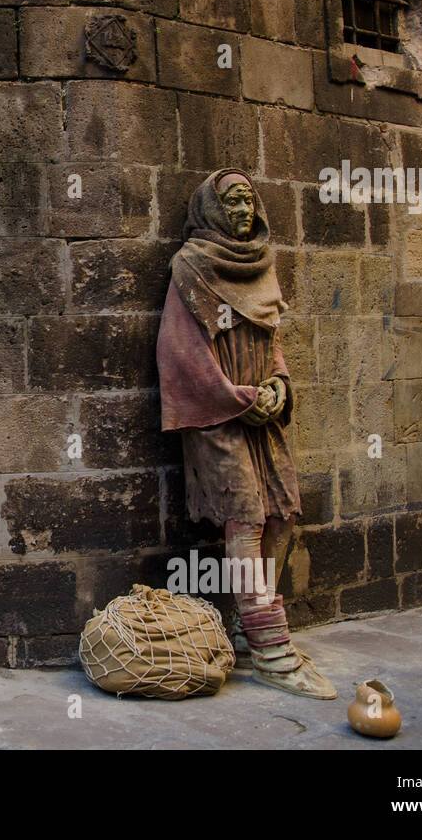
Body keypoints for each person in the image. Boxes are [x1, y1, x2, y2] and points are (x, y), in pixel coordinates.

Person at [156, 168, 337, 699]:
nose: (243, 212)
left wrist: (278, 384)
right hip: (220, 412)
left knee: (282, 513)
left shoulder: (261, 264)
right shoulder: (191, 266)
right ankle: (273, 652)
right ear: (211, 209)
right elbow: (178, 351)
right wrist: (235, 398)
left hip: (263, 408)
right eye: (232, 202)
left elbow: (270, 338)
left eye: (248, 202)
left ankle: (247, 628)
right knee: (245, 519)